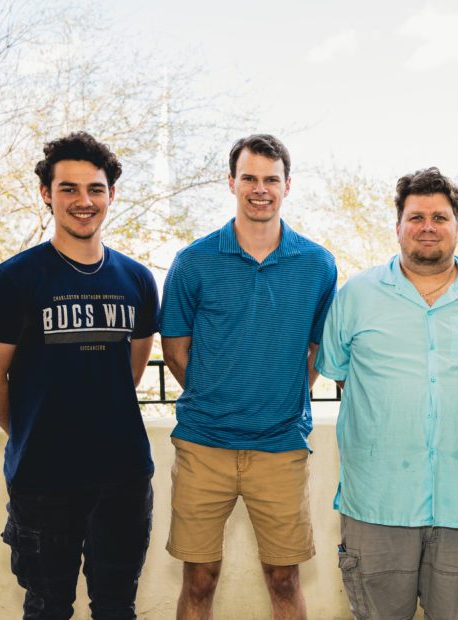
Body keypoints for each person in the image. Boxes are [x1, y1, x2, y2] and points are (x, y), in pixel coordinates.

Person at [0, 132, 158, 619]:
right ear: (46, 194)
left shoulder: (136, 279)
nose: (83, 201)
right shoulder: (11, 281)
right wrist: (34, 430)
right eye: (68, 189)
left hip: (123, 478)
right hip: (43, 481)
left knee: (117, 607)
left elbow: (130, 371)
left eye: (94, 189)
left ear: (111, 195)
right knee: (48, 608)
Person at [316, 167, 458, 620]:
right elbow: (340, 373)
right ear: (398, 227)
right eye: (416, 217)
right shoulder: (356, 296)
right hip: (377, 504)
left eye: (440, 217)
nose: (428, 226)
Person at [160, 134, 337, 619]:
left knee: (284, 579)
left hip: (281, 447)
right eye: (250, 178)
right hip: (203, 445)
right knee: (199, 580)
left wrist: (282, 395)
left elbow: (319, 348)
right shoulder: (193, 262)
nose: (261, 189)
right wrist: (217, 394)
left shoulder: (317, 264)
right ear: (231, 182)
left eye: (271, 180)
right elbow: (175, 351)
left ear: (287, 185)